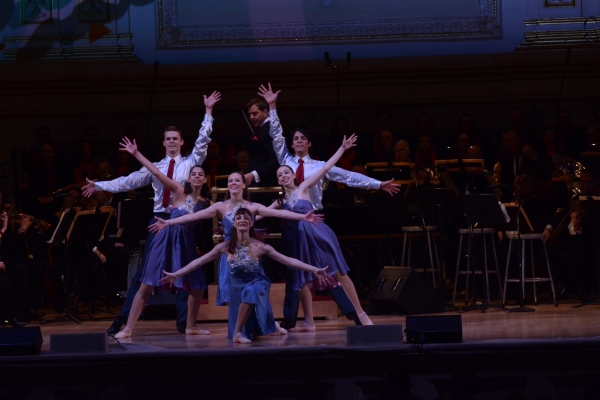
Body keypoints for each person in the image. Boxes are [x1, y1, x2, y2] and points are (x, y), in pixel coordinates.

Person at [258, 83, 400, 329]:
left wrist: (377, 185)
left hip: (314, 220)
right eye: (296, 139)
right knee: (295, 273)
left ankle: (358, 313)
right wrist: (272, 106)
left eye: (303, 138)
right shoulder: (286, 164)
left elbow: (348, 176)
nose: (298, 141)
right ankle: (297, 321)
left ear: (310, 143)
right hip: (293, 224)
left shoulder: (316, 167)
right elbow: (276, 136)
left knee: (333, 270)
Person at [82, 91, 221, 335]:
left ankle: (184, 324)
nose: (171, 142)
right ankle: (123, 322)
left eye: (175, 138)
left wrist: (208, 112)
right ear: (163, 142)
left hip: (183, 221)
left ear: (181, 142)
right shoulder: (155, 166)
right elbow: (128, 181)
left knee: (184, 272)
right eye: (167, 139)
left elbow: (203, 141)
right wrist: (100, 185)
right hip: (160, 220)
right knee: (144, 276)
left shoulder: (190, 163)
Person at [149, 171, 324, 307]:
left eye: (237, 180)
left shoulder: (252, 207)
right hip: (230, 253)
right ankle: (238, 331)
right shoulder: (220, 206)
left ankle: (257, 326)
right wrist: (168, 222)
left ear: (243, 185)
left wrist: (302, 217)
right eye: (230, 181)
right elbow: (193, 217)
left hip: (251, 253)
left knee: (254, 297)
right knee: (234, 298)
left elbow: (278, 212)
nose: (233, 183)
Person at [160, 207, 329, 343]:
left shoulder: (260, 246)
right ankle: (268, 325)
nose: (242, 220)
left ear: (251, 224)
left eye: (246, 218)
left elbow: (289, 261)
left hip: (257, 283)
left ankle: (237, 333)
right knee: (254, 331)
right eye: (238, 218)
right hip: (236, 289)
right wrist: (176, 274)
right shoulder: (225, 247)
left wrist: (314, 269)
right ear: (233, 224)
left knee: (253, 290)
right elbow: (199, 262)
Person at [269, 133, 375, 329]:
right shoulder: (280, 201)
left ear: (293, 175)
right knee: (305, 277)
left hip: (316, 233)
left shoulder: (304, 187)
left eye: (286, 173)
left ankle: (358, 313)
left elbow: (325, 168)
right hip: (302, 240)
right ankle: (309, 320)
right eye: (279, 175)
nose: (283, 176)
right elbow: (257, 213)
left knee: (335, 273)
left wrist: (342, 149)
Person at [113, 137, 212, 338]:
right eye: (193, 173)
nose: (196, 177)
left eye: (200, 174)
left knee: (197, 284)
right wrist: (136, 153)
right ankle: (128, 328)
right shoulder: (178, 189)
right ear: (189, 177)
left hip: (186, 243)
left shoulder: (205, 203)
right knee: (147, 282)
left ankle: (190, 326)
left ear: (204, 180)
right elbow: (156, 172)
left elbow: (228, 213)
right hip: (165, 238)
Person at [243, 97, 279, 188]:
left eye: (255, 113)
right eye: (250, 114)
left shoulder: (270, 129)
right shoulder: (264, 129)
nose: (251, 117)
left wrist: (254, 174)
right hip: (258, 184)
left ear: (265, 112)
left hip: (265, 185)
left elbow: (276, 159)